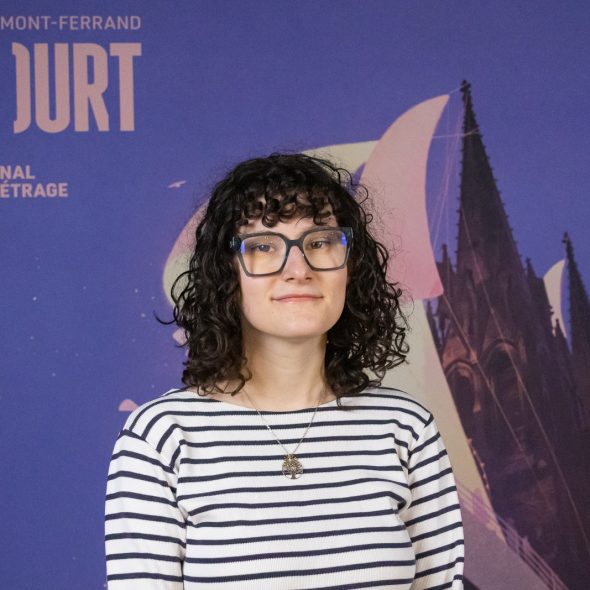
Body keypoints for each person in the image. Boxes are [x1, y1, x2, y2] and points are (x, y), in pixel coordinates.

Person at [104, 153, 465, 589]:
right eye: (263, 246)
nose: (299, 270)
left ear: (350, 266)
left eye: (320, 242)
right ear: (226, 273)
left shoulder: (406, 428)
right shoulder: (161, 439)